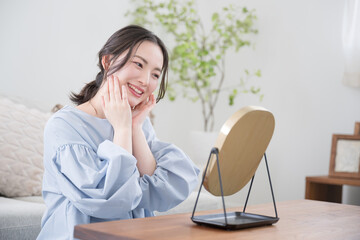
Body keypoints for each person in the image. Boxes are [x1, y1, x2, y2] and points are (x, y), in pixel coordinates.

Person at [37, 25, 200, 240]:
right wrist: (122, 129)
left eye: (155, 74)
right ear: (108, 62)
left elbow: (156, 190)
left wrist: (133, 127)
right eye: (139, 64)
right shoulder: (64, 125)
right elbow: (110, 200)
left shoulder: (137, 122)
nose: (145, 80)